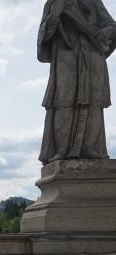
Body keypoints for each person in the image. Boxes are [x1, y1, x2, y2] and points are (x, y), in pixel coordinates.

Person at [37, 0, 116, 164]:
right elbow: (45, 37)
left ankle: (91, 148)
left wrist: (107, 30)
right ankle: (61, 150)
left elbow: (111, 25)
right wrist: (54, 15)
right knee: (63, 101)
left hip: (93, 55)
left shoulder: (94, 1)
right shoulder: (53, 2)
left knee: (95, 101)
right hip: (67, 56)